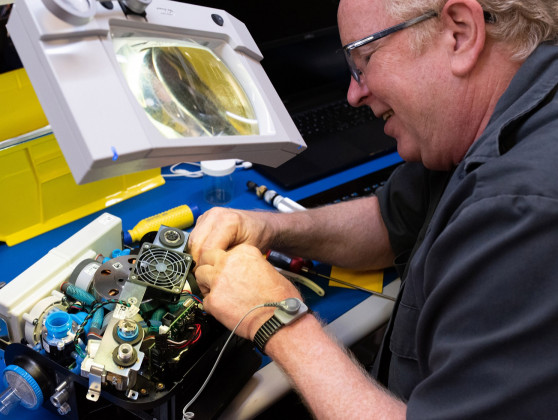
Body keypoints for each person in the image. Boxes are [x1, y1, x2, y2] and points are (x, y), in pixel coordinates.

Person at [187, 0, 558, 417]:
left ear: (460, 33)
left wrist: (276, 320)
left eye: (363, 60)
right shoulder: (482, 122)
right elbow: (388, 221)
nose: (353, 93)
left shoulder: (524, 209)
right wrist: (268, 228)